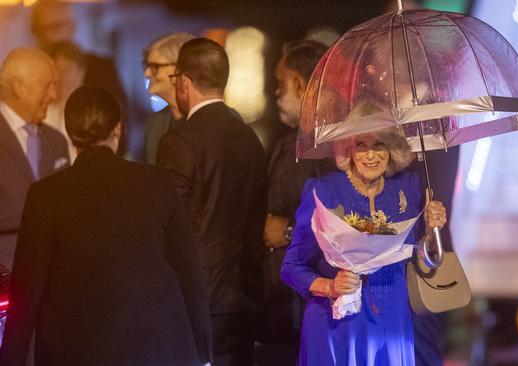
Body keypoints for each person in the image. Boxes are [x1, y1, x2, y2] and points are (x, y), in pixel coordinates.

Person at [0, 85, 211, 365]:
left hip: (73, 348)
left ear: (70, 131)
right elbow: (189, 275)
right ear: (118, 129)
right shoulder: (157, 183)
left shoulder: (46, 195)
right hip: (154, 346)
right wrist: (203, 352)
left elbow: (26, 297)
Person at [281, 124, 447, 365]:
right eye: (361, 145)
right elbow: (291, 267)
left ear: (392, 149)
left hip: (393, 323)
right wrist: (331, 286)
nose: (370, 155)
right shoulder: (324, 191)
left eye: (379, 144)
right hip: (337, 327)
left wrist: (434, 230)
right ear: (348, 150)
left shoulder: (409, 187)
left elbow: (424, 258)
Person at [157, 37, 267, 365]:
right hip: (245, 292)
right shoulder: (250, 139)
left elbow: (171, 224)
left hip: (197, 295)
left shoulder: (179, 142)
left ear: (185, 83)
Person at [259, 39, 335, 364]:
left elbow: (340, 222)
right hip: (282, 306)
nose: (275, 92)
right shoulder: (289, 142)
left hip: (306, 307)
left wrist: (287, 232)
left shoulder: (331, 147)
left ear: (301, 84)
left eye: (280, 83)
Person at [0, 47, 69, 271]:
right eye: (47, 85)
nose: (54, 95)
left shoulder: (57, 141)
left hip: (54, 274)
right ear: (19, 87)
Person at [29, 0, 126, 106]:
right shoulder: (30, 74)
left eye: (56, 27)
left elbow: (117, 114)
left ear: (72, 27)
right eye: (40, 29)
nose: (48, 35)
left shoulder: (101, 68)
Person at [141, 32, 194, 164]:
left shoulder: (219, 119)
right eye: (146, 65)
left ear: (180, 69)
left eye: (154, 67)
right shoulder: (155, 123)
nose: (146, 73)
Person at [43, 41, 87, 162]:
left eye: (67, 70)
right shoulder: (42, 112)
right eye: (57, 70)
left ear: (81, 72)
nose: (62, 77)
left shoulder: (90, 113)